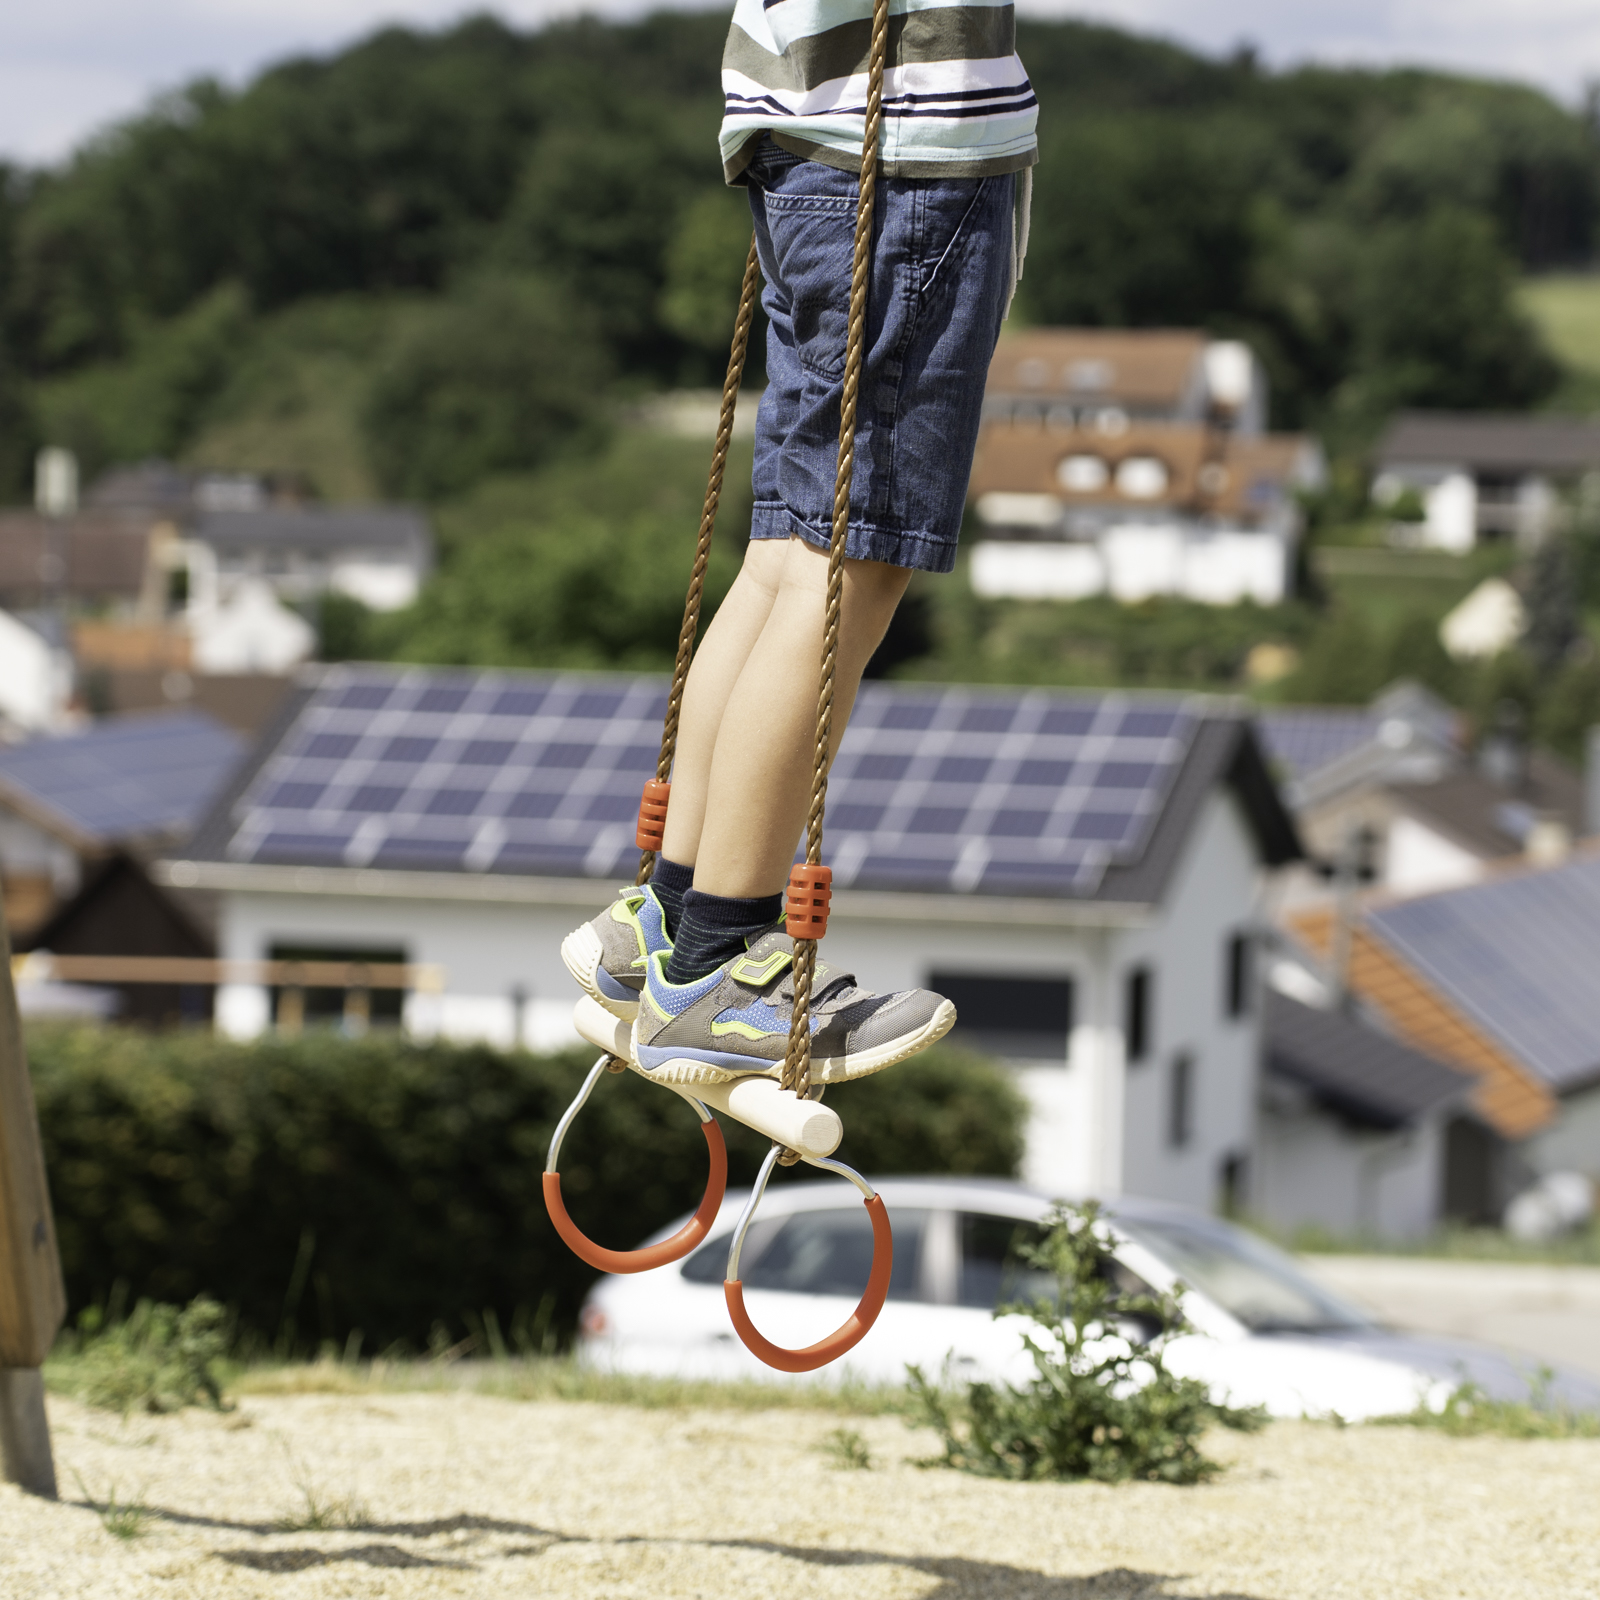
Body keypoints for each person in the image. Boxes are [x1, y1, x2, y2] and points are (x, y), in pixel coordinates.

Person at [563, 0, 1037, 1084]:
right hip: (906, 157)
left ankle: (676, 920)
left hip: (811, 139)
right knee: (848, 560)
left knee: (788, 554)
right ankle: (719, 966)